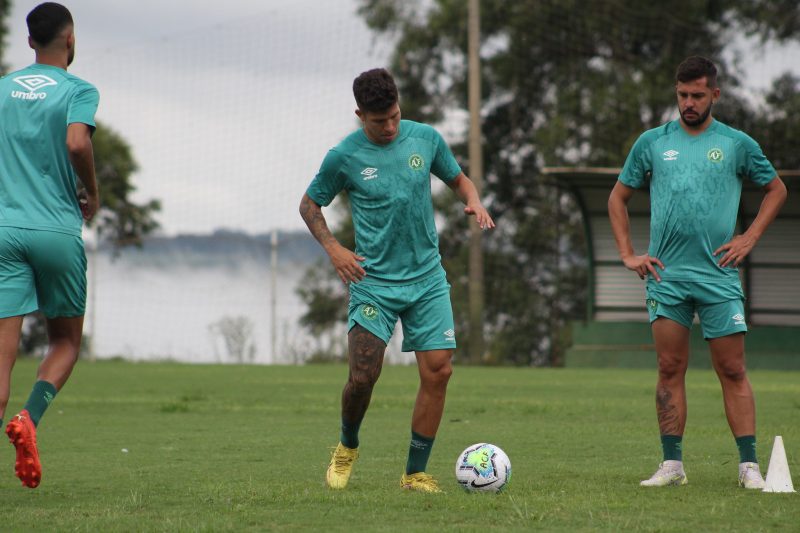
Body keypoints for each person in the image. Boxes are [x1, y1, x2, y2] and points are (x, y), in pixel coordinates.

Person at [299, 68, 494, 493]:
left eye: (394, 116)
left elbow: (459, 180)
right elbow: (310, 205)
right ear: (359, 115)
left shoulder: (425, 138)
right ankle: (347, 445)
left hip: (426, 279)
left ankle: (415, 473)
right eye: (378, 121)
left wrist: (474, 201)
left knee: (439, 372)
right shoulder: (343, 157)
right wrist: (335, 250)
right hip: (374, 282)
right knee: (364, 376)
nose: (389, 127)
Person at [608, 56, 787, 489]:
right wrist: (629, 254)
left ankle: (748, 467)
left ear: (715, 95)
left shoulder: (736, 143)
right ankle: (672, 466)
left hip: (718, 276)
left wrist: (748, 238)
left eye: (698, 95)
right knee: (669, 367)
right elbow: (618, 198)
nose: (689, 103)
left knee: (733, 369)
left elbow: (776, 189)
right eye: (683, 95)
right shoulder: (652, 142)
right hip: (667, 277)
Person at [0, 2, 99, 489]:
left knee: (1, 358)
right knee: (65, 341)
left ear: (30, 41)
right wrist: (93, 193)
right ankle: (28, 419)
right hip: (56, 231)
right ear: (71, 39)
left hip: (2, 231)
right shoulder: (78, 89)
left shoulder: (1, 91)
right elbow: (78, 143)